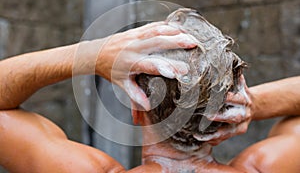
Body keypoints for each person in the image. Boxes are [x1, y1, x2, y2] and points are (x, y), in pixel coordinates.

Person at [0, 11, 299, 173]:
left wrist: (93, 54)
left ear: (136, 107)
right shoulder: (267, 167)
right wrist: (250, 104)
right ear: (222, 116)